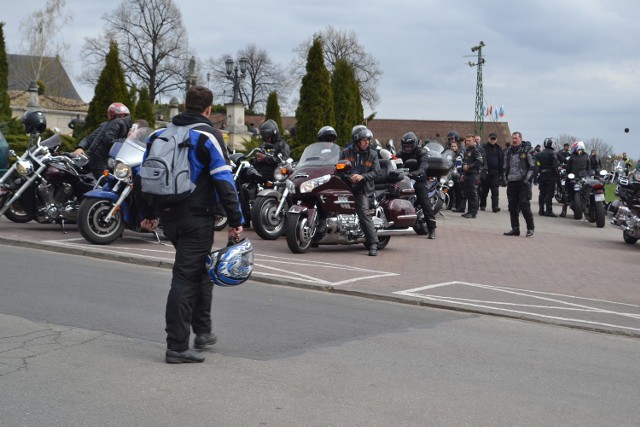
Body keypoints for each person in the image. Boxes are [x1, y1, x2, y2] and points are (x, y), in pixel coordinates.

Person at [139, 86, 244, 364]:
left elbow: (145, 175)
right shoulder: (208, 135)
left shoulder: (159, 134)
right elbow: (224, 179)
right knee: (185, 278)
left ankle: (203, 331)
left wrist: (148, 213)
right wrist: (236, 220)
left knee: (200, 272)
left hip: (169, 217)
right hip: (197, 217)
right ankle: (176, 346)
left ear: (185, 105)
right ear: (208, 109)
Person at [340, 125, 381, 256]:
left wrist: (362, 177)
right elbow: (337, 169)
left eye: (368, 140)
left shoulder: (372, 154)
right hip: (346, 185)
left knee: (363, 213)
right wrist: (348, 177)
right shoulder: (345, 152)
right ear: (356, 140)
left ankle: (373, 243)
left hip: (363, 188)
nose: (367, 142)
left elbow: (377, 172)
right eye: (364, 140)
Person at [73, 103, 133, 179]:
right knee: (107, 183)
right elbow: (91, 138)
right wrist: (80, 147)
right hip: (102, 161)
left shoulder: (128, 127)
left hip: (110, 163)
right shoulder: (106, 125)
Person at [398, 132, 436, 239]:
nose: (407, 148)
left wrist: (415, 172)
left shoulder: (421, 152)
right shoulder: (401, 153)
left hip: (418, 179)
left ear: (414, 144)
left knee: (424, 201)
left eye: (409, 146)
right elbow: (394, 161)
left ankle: (432, 228)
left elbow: (423, 166)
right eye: (405, 146)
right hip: (404, 178)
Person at [503, 131, 536, 237]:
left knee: (524, 205)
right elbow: (505, 166)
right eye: (513, 138)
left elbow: (532, 166)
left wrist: (527, 179)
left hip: (523, 183)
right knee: (512, 207)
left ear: (520, 139)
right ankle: (515, 229)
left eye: (516, 138)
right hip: (511, 182)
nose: (514, 140)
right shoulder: (508, 151)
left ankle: (530, 228)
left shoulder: (527, 150)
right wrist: (505, 178)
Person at [562, 140, 591, 218]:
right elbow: (589, 169)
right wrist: (589, 175)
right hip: (583, 177)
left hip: (576, 177)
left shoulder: (572, 157)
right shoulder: (587, 156)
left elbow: (568, 169)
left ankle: (564, 210)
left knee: (566, 191)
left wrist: (567, 173)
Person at [460, 134, 483, 218]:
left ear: (474, 141)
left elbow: (479, 161)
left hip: (473, 175)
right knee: (468, 193)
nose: (467, 142)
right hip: (467, 175)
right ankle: (469, 211)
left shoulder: (475, 150)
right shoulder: (467, 150)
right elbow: (465, 162)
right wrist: (463, 174)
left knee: (473, 194)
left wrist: (469, 167)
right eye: (467, 140)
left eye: (469, 140)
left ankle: (473, 213)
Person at [535, 137, 560, 217]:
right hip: (550, 175)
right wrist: (557, 175)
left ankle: (541, 210)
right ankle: (549, 211)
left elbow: (537, 164)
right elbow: (555, 165)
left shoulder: (538, 154)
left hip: (541, 175)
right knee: (549, 193)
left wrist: (540, 171)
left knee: (542, 193)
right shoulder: (553, 153)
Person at [480, 132, 504, 212]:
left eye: (494, 139)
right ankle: (483, 205)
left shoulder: (499, 148)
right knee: (484, 191)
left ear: (496, 139)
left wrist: (501, 173)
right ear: (488, 139)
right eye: (491, 138)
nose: (493, 140)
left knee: (495, 191)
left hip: (495, 173)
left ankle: (495, 206)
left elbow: (501, 161)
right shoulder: (483, 147)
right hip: (486, 172)